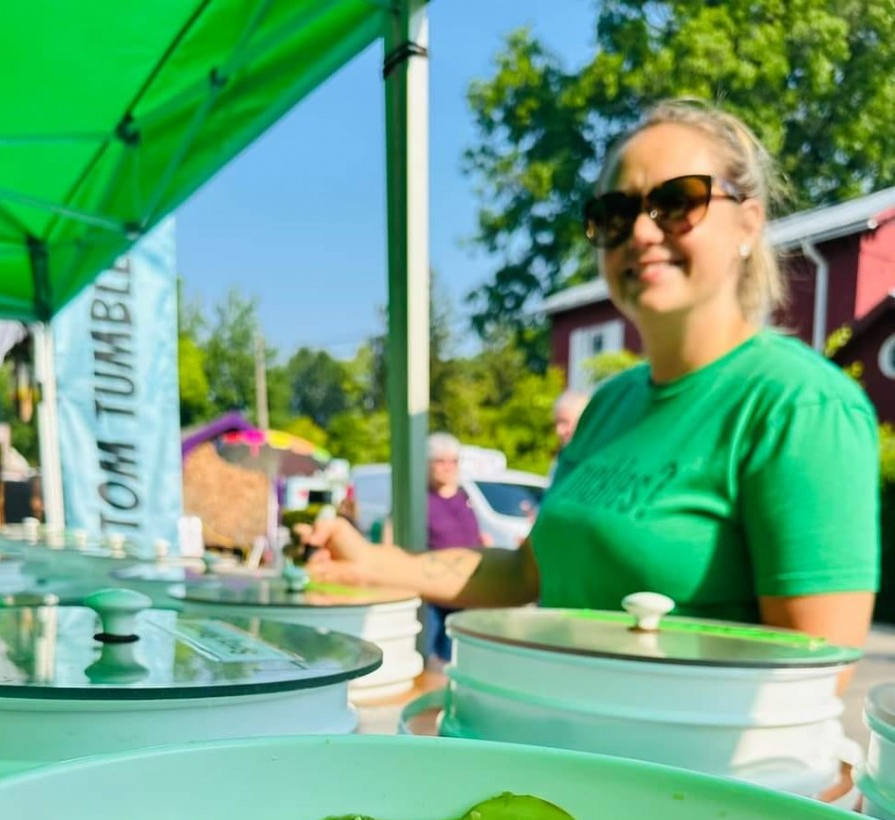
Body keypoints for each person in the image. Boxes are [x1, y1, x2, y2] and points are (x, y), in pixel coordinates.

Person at [301, 99, 879, 656]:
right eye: (615, 213)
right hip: (555, 738)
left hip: (671, 757)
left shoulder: (800, 406)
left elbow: (810, 672)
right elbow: (524, 572)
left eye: (678, 201)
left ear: (747, 224)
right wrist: (369, 561)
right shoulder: (610, 405)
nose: (642, 233)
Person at [422, 432, 490, 663]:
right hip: (431, 592)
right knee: (427, 656)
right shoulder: (420, 500)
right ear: (428, 465)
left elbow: (474, 534)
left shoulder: (464, 495)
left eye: (453, 461)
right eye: (440, 461)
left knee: (456, 655)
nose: (447, 467)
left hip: (464, 591)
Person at [547, 389, 590, 485]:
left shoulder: (600, 462)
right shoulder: (560, 463)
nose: (559, 431)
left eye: (565, 422)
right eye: (556, 423)